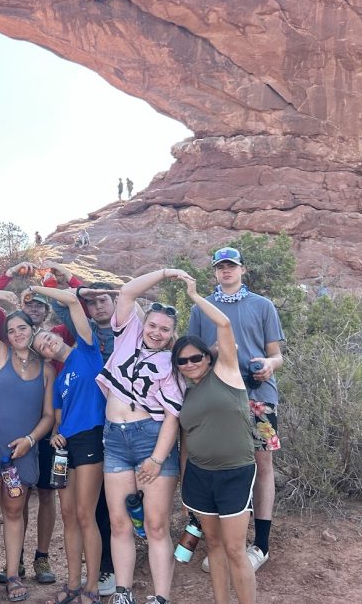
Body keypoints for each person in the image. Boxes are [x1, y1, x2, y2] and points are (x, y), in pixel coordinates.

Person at [96, 269, 190, 604]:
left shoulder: (171, 364)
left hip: (149, 439)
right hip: (114, 440)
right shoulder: (128, 335)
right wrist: (165, 273)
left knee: (155, 525)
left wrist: (157, 459)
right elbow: (127, 292)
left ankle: (160, 597)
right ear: (143, 323)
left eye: (164, 329)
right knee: (120, 523)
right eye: (152, 325)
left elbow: (172, 417)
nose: (156, 332)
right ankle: (123, 593)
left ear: (172, 334)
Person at [187, 247, 284, 573]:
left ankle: (262, 546)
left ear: (242, 269)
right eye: (220, 267)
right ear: (215, 272)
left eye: (231, 265)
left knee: (262, 464)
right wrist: (215, 351)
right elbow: (193, 356)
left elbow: (276, 355)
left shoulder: (263, 305)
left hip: (258, 394)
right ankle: (231, 546)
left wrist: (268, 365)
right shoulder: (201, 308)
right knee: (226, 466)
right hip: (218, 397)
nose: (226, 271)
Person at [0, 293, 55, 604]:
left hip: (22, 451)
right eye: (11, 330)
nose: (17, 334)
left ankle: (14, 575)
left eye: (22, 328)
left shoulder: (46, 369)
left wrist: (30, 440)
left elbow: (48, 416)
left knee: (15, 512)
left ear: (33, 330)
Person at [177, 275, 257, 604]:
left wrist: (195, 296)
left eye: (196, 357)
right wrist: (185, 484)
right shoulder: (184, 394)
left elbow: (224, 325)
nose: (190, 364)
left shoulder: (227, 374)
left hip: (235, 472)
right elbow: (185, 441)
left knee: (236, 549)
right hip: (199, 477)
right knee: (213, 545)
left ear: (208, 358)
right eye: (182, 361)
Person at [29, 285, 106, 604]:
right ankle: (73, 583)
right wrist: (55, 434)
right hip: (65, 447)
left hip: (91, 437)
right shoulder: (59, 379)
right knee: (69, 514)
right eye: (42, 346)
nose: (47, 343)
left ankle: (92, 586)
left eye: (47, 337)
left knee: (86, 514)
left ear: (57, 336)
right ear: (45, 356)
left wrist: (36, 287)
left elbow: (73, 301)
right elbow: (58, 419)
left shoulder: (86, 350)